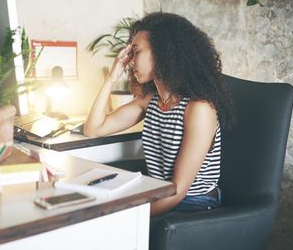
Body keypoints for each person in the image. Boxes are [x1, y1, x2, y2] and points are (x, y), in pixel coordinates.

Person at [84, 12, 234, 216]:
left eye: (136, 52)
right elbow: (94, 129)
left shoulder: (198, 108)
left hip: (194, 204)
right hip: (161, 196)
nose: (130, 61)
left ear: (163, 54)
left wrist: (130, 218)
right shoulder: (151, 101)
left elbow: (178, 191)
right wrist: (111, 78)